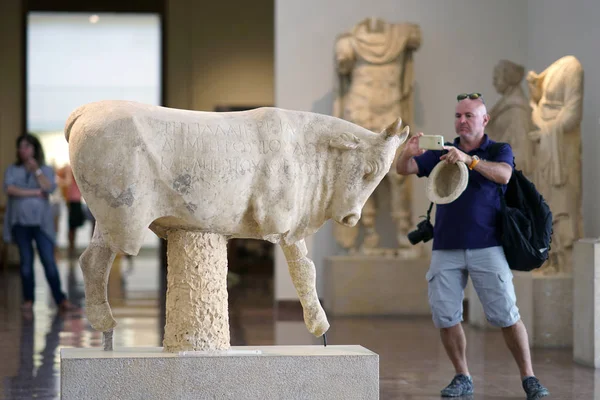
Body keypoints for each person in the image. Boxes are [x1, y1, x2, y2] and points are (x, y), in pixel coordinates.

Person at [395, 93, 550, 399]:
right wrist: (406, 152)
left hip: (488, 246)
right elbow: (405, 169)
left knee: (507, 314)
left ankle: (529, 377)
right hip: (445, 247)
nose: (462, 121)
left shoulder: (497, 150)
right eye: (458, 116)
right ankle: (462, 375)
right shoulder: (442, 151)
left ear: (484, 120)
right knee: (446, 315)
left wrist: (469, 160)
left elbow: (504, 175)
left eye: (469, 115)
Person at [3, 134, 75, 312]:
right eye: (20, 147)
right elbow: (9, 189)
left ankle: (60, 300)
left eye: (26, 146)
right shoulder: (13, 169)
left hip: (42, 224)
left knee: (49, 262)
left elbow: (49, 187)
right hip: (21, 223)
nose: (23, 150)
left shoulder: (44, 169)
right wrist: (34, 193)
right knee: (26, 263)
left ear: (34, 149)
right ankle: (28, 300)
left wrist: (36, 170)